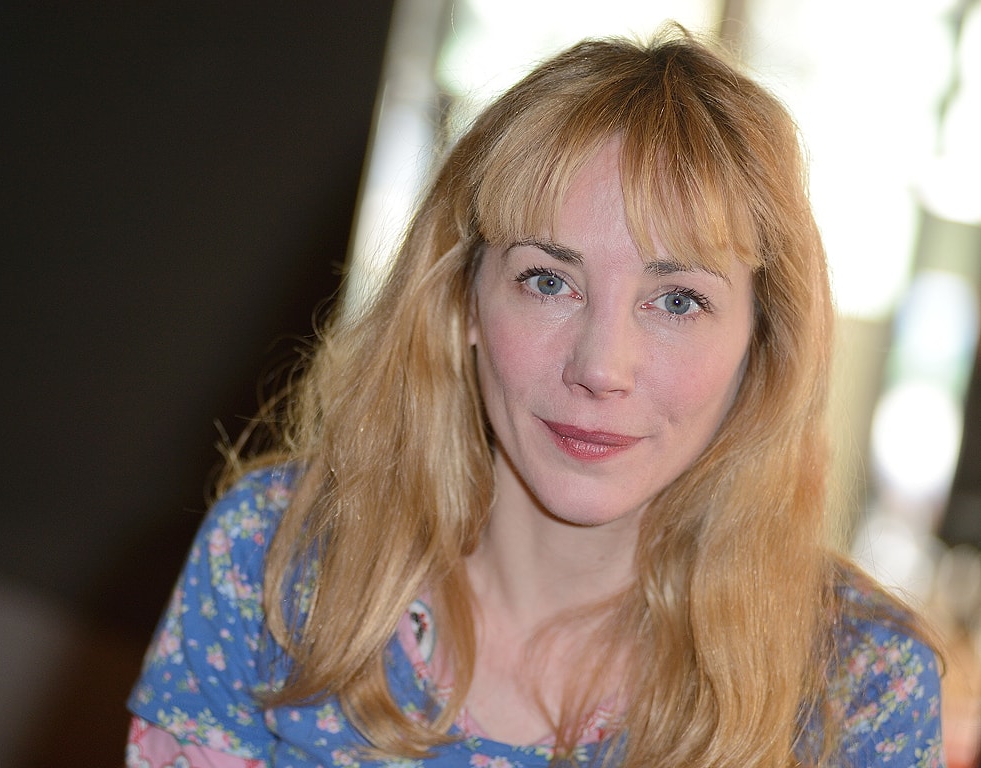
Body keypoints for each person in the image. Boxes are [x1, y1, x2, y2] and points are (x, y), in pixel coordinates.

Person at [125, 26, 945, 768]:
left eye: (677, 300)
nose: (601, 367)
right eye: (549, 281)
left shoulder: (861, 689)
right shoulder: (275, 560)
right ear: (462, 300)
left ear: (762, 344)